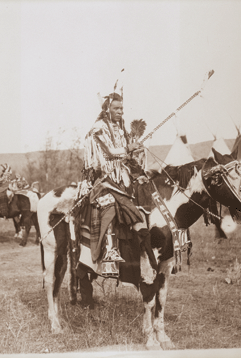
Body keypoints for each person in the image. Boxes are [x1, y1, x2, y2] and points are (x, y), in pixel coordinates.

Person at [77, 92, 156, 308]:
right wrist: (126, 149)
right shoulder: (98, 129)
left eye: (122, 109)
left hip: (121, 179)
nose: (120, 112)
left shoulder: (120, 130)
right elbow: (108, 153)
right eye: (116, 109)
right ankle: (108, 250)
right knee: (109, 205)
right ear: (107, 109)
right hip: (102, 179)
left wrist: (134, 152)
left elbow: (123, 156)